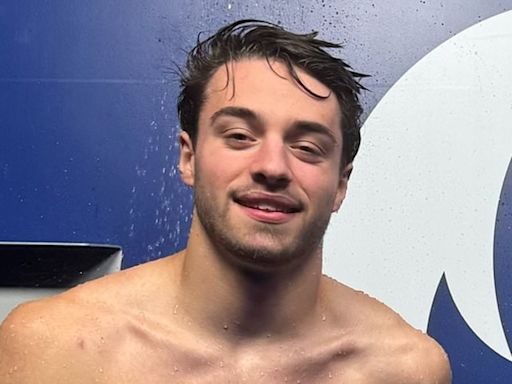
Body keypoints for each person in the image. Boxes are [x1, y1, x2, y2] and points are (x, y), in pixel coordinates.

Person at [0, 20, 451, 383]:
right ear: (189, 157)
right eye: (239, 136)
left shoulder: (402, 368)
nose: (272, 166)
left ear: (340, 185)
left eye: (307, 147)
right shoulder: (53, 348)